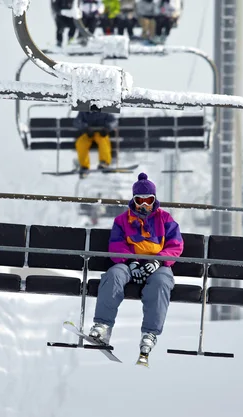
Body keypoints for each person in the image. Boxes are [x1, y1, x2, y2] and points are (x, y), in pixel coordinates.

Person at [88, 173, 184, 357]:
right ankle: (103, 325)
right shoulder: (122, 221)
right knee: (114, 275)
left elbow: (175, 245)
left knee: (161, 283)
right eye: (140, 200)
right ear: (134, 200)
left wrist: (157, 261)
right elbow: (116, 244)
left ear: (154, 199)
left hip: (158, 266)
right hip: (129, 264)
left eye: (149, 200)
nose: (144, 205)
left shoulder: (165, 219)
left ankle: (150, 333)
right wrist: (131, 261)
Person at [73, 111, 117, 179]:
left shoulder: (105, 110)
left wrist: (107, 128)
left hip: (101, 133)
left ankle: (104, 163)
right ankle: (84, 166)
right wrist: (85, 128)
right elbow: (77, 122)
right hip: (88, 134)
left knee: (104, 142)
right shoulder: (83, 111)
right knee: (81, 143)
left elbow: (114, 121)